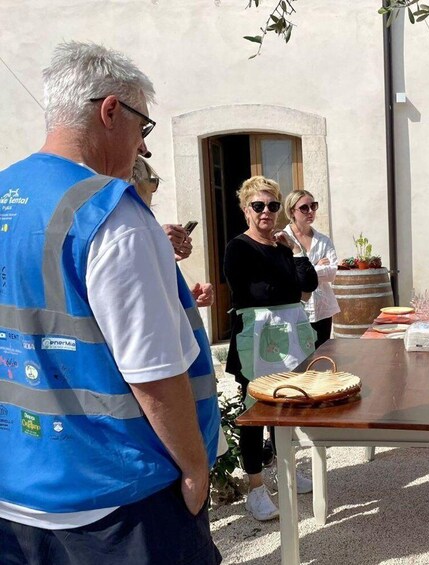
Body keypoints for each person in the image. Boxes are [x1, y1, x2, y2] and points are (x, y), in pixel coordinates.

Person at [0, 42, 221, 564]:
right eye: (143, 130)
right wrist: (194, 468)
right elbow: (153, 369)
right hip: (118, 500)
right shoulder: (111, 214)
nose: (141, 149)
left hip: (17, 491)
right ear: (110, 111)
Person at [223, 176, 318, 521]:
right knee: (255, 414)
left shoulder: (283, 248)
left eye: (273, 206)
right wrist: (288, 290)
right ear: (246, 210)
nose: (266, 212)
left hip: (289, 335)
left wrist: (293, 252)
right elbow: (258, 293)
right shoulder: (239, 247)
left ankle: (285, 471)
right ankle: (256, 489)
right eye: (258, 206)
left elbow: (309, 285)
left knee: (289, 403)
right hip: (257, 340)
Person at [130, 157, 214, 308]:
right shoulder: (119, 230)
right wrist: (157, 242)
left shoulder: (144, 228)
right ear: (133, 184)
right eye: (152, 182)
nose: (154, 191)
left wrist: (187, 299)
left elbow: (148, 287)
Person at [283, 190, 340, 347]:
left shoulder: (323, 240)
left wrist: (305, 272)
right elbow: (286, 275)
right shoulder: (283, 239)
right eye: (304, 208)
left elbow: (332, 272)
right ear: (291, 211)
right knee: (299, 356)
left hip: (323, 309)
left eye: (313, 206)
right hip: (297, 309)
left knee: (323, 355)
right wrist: (316, 267)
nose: (310, 211)